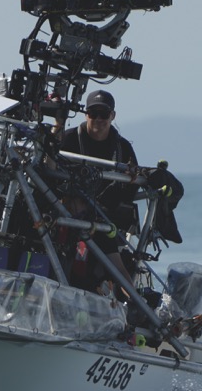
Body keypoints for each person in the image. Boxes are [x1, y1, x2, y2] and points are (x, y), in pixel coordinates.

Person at [58, 89, 140, 286]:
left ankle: (134, 304)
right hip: (66, 213)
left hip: (102, 217)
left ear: (113, 116)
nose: (98, 119)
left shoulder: (123, 148)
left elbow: (130, 189)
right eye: (93, 114)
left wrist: (130, 179)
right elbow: (49, 175)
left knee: (116, 262)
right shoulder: (68, 139)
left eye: (104, 114)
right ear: (86, 115)